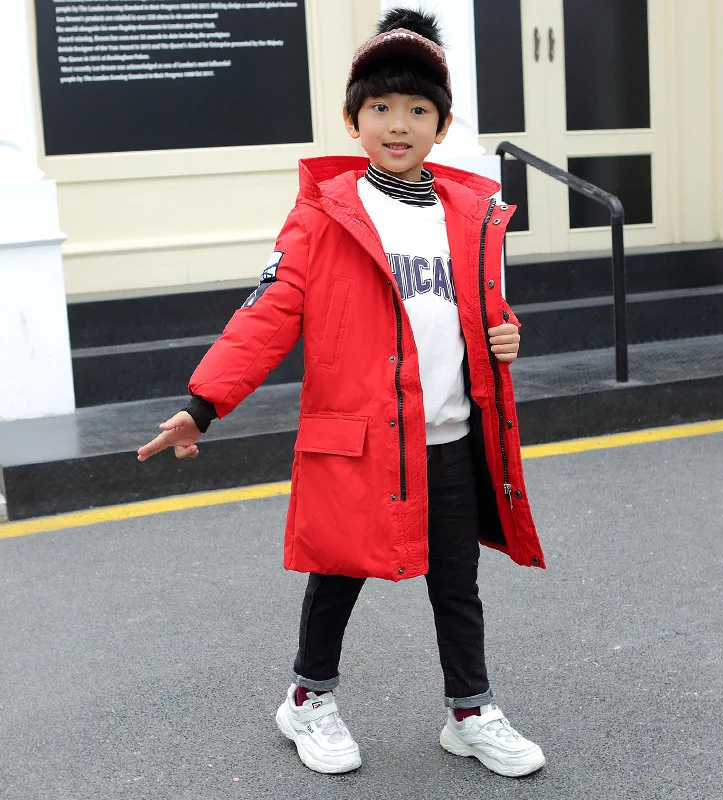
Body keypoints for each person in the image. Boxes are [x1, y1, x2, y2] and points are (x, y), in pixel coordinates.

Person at [137, 8, 546, 778]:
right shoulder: (326, 215)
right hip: (361, 441)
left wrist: (508, 333)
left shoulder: (470, 216)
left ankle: (470, 711)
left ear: (442, 126)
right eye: (381, 108)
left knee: (457, 585)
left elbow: (476, 309)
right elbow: (267, 314)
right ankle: (307, 700)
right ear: (353, 120)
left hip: (451, 437)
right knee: (338, 576)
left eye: (418, 110)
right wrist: (203, 406)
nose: (399, 125)